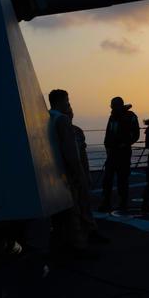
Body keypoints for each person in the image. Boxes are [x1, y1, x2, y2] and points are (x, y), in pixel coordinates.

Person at [48, 89, 93, 257]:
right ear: (61, 101)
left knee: (60, 214)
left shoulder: (47, 118)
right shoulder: (62, 119)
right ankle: (79, 247)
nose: (68, 104)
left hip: (53, 172)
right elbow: (70, 151)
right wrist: (79, 172)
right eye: (67, 101)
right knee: (75, 210)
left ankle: (61, 245)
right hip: (67, 172)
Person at [68, 105, 108, 244]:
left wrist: (87, 174)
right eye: (67, 105)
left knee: (84, 205)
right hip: (68, 177)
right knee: (74, 209)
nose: (70, 110)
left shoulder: (78, 131)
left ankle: (90, 232)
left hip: (80, 175)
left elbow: (83, 155)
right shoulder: (59, 131)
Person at [98, 97, 140, 212]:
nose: (112, 107)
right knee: (107, 179)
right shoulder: (112, 118)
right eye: (112, 105)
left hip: (123, 153)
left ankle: (123, 203)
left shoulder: (130, 116)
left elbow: (136, 134)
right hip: (112, 153)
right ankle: (106, 202)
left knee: (122, 179)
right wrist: (107, 146)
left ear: (120, 105)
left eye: (114, 105)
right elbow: (108, 134)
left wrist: (125, 144)